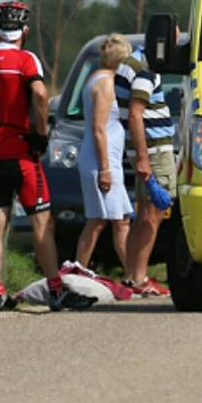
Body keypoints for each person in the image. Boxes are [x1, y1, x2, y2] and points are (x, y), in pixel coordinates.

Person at [0, 0, 95, 312]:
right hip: (22, 151)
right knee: (43, 222)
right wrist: (41, 132)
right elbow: (39, 93)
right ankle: (55, 290)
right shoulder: (26, 59)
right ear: (24, 31)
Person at [117, 42, 175, 297]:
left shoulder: (129, 64)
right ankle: (140, 278)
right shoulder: (145, 71)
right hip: (153, 151)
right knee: (154, 215)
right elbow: (135, 114)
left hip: (142, 150)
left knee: (142, 216)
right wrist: (143, 158)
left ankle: (130, 276)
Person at [74, 34, 133, 267]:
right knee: (98, 220)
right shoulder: (106, 84)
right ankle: (78, 268)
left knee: (122, 219)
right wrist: (105, 169)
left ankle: (132, 273)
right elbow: (99, 128)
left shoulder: (96, 78)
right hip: (102, 160)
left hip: (108, 159)